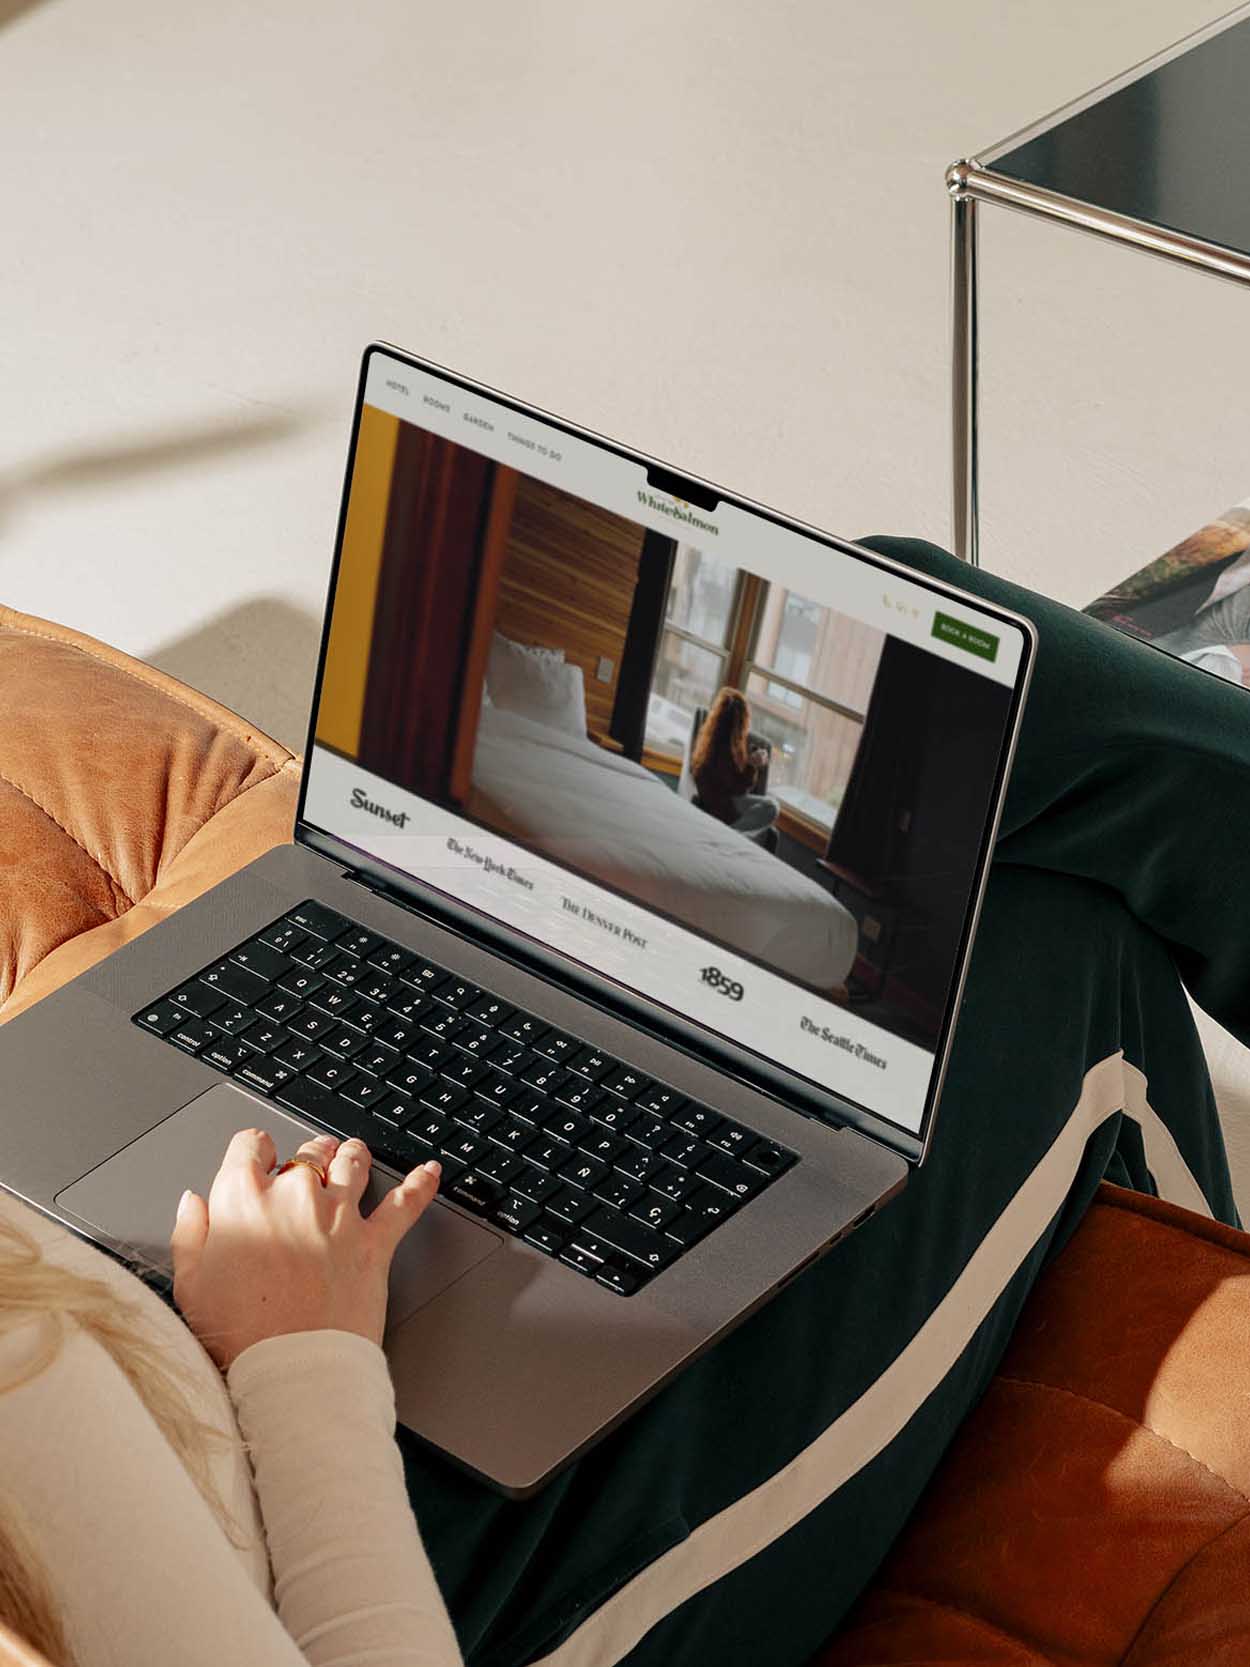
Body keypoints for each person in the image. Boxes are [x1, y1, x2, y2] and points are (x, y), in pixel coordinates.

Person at [2, 534, 1249, 1667]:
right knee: (1045, 929)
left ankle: (819, 793)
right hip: (433, 1563)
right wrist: (293, 1353)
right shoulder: (31, 1393)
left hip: (177, 1313)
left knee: (919, 637)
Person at [690, 687, 779, 840]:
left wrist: (750, 760)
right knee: (771, 806)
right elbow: (738, 789)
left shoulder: (709, 741)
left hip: (720, 801)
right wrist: (753, 765)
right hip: (724, 804)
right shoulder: (725, 747)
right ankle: (729, 836)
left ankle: (732, 835)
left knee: (768, 808)